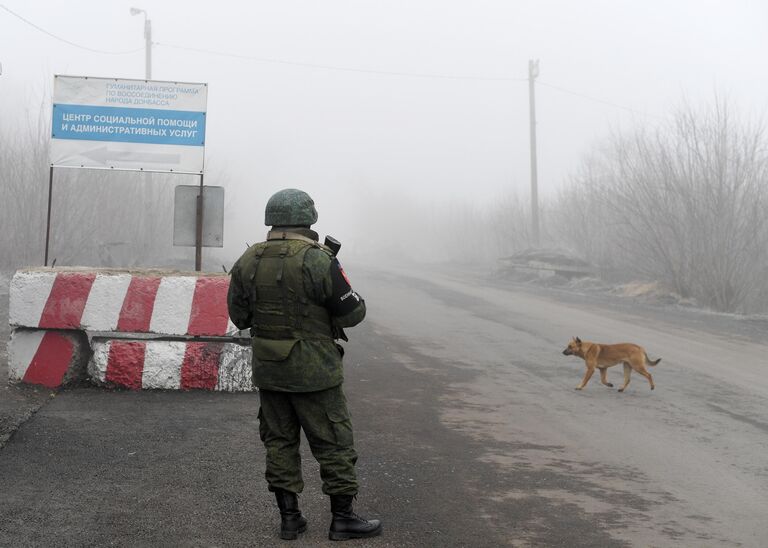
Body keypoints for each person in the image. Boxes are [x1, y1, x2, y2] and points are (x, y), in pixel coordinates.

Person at [227, 188, 382, 541]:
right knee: (333, 442)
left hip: (270, 370)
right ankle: (343, 519)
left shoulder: (248, 260)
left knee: (279, 442)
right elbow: (354, 313)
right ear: (308, 219)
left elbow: (239, 317)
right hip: (315, 373)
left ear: (272, 219)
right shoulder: (318, 259)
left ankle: (290, 519)